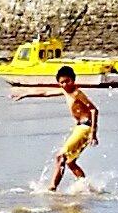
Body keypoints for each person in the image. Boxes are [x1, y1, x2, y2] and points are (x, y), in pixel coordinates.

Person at [41, 63, 97, 192]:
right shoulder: (65, 91)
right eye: (62, 82)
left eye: (67, 81)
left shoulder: (77, 93)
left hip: (85, 128)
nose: (65, 84)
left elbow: (94, 110)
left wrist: (93, 133)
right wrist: (24, 94)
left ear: (73, 80)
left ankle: (52, 188)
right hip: (79, 128)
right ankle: (87, 188)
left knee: (60, 156)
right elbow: (45, 92)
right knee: (70, 162)